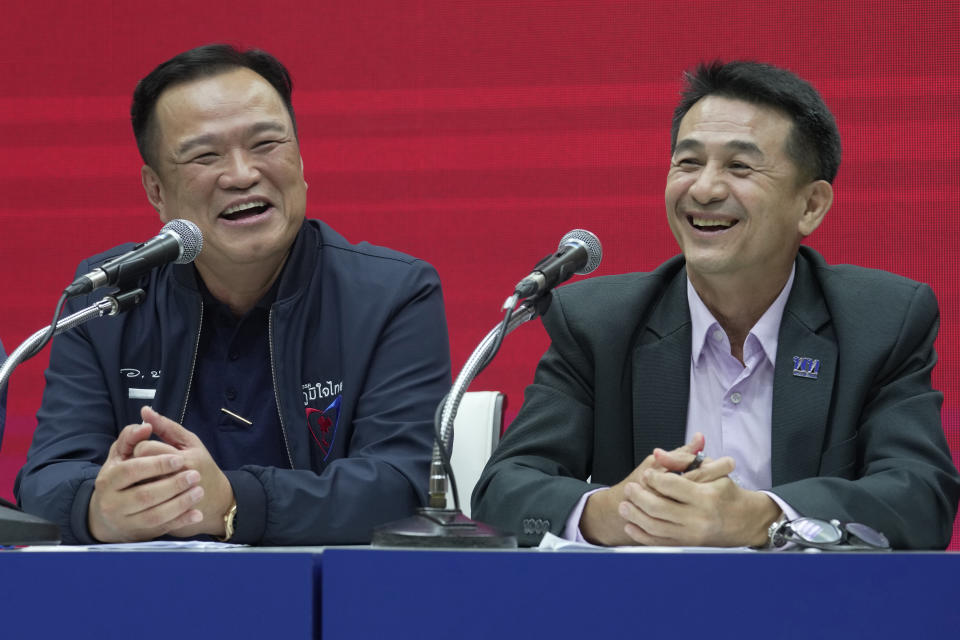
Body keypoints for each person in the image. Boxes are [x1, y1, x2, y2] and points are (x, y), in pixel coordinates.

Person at [472, 60, 960, 549]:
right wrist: (615, 510)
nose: (704, 189)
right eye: (687, 163)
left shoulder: (880, 320)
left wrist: (763, 517)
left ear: (810, 205)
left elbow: (921, 497)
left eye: (739, 166)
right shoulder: (599, 323)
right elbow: (503, 491)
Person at [15, 45, 451, 545]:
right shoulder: (108, 297)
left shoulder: (391, 294)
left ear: (301, 160)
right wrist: (99, 510)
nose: (242, 174)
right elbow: (47, 478)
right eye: (205, 155)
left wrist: (233, 504)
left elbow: (403, 485)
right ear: (156, 191)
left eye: (267, 144)